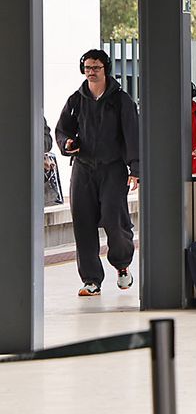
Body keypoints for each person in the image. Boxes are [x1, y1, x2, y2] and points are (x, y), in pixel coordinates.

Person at [54, 48, 140, 298]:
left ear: (106, 69)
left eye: (96, 67)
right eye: (88, 67)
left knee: (115, 221)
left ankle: (122, 264)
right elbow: (62, 130)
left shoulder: (121, 100)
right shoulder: (76, 100)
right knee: (83, 223)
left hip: (113, 169)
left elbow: (132, 135)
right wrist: (67, 144)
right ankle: (91, 280)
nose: (91, 72)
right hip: (83, 169)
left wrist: (135, 169)